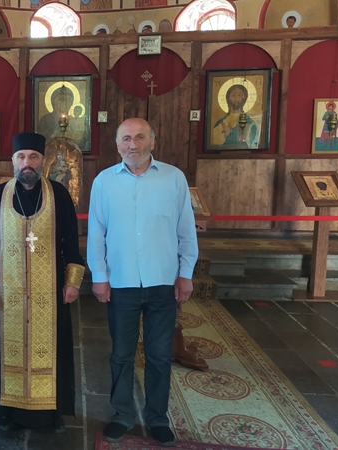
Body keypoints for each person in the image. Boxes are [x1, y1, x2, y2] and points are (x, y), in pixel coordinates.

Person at [87, 118, 198, 447]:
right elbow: (96, 234)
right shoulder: (104, 182)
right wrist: (99, 276)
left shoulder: (173, 178)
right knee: (121, 355)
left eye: (139, 138)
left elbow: (185, 230)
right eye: (126, 139)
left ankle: (157, 418)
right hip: (120, 282)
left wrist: (186, 273)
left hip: (162, 280)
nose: (132, 145)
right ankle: (122, 415)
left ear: (152, 141)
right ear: (117, 144)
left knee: (160, 355)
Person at [0, 132, 85, 433]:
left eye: (34, 157)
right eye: (21, 157)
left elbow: (71, 242)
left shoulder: (59, 195)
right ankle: (6, 413)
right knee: (6, 348)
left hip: (49, 293)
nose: (27, 163)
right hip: (8, 291)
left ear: (43, 161)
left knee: (53, 349)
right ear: (13, 161)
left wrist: (73, 282)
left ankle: (50, 415)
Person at [211, 84, 259, 149]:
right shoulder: (221, 123)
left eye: (239, 95)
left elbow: (252, 145)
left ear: (244, 98)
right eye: (233, 95)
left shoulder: (250, 123)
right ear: (228, 98)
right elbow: (214, 144)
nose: (236, 99)